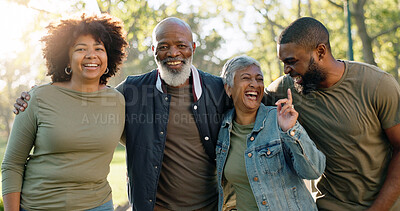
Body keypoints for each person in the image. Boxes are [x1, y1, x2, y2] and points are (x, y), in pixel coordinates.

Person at [13, 17, 229, 211]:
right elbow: (84, 101)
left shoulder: (219, 89)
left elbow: (257, 103)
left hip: (208, 206)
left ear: (192, 47)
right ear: (153, 49)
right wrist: (37, 96)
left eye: (181, 45)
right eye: (164, 46)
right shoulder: (130, 90)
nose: (173, 53)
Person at [264, 17, 400, 210]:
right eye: (283, 62)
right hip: (329, 205)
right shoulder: (287, 89)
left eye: (292, 61)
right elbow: (246, 100)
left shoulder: (377, 84)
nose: (286, 70)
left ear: (320, 51)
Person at [2, 13, 127, 210]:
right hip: (40, 206)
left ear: (108, 57)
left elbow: (144, 143)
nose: (91, 55)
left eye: (99, 48)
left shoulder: (118, 101)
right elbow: (12, 164)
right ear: (66, 59)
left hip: (99, 205)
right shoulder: (37, 99)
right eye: (81, 49)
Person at [217, 55, 325, 211]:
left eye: (259, 79)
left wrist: (291, 131)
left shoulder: (279, 119)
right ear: (228, 88)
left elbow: (314, 170)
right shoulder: (222, 129)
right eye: (246, 78)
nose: (254, 84)